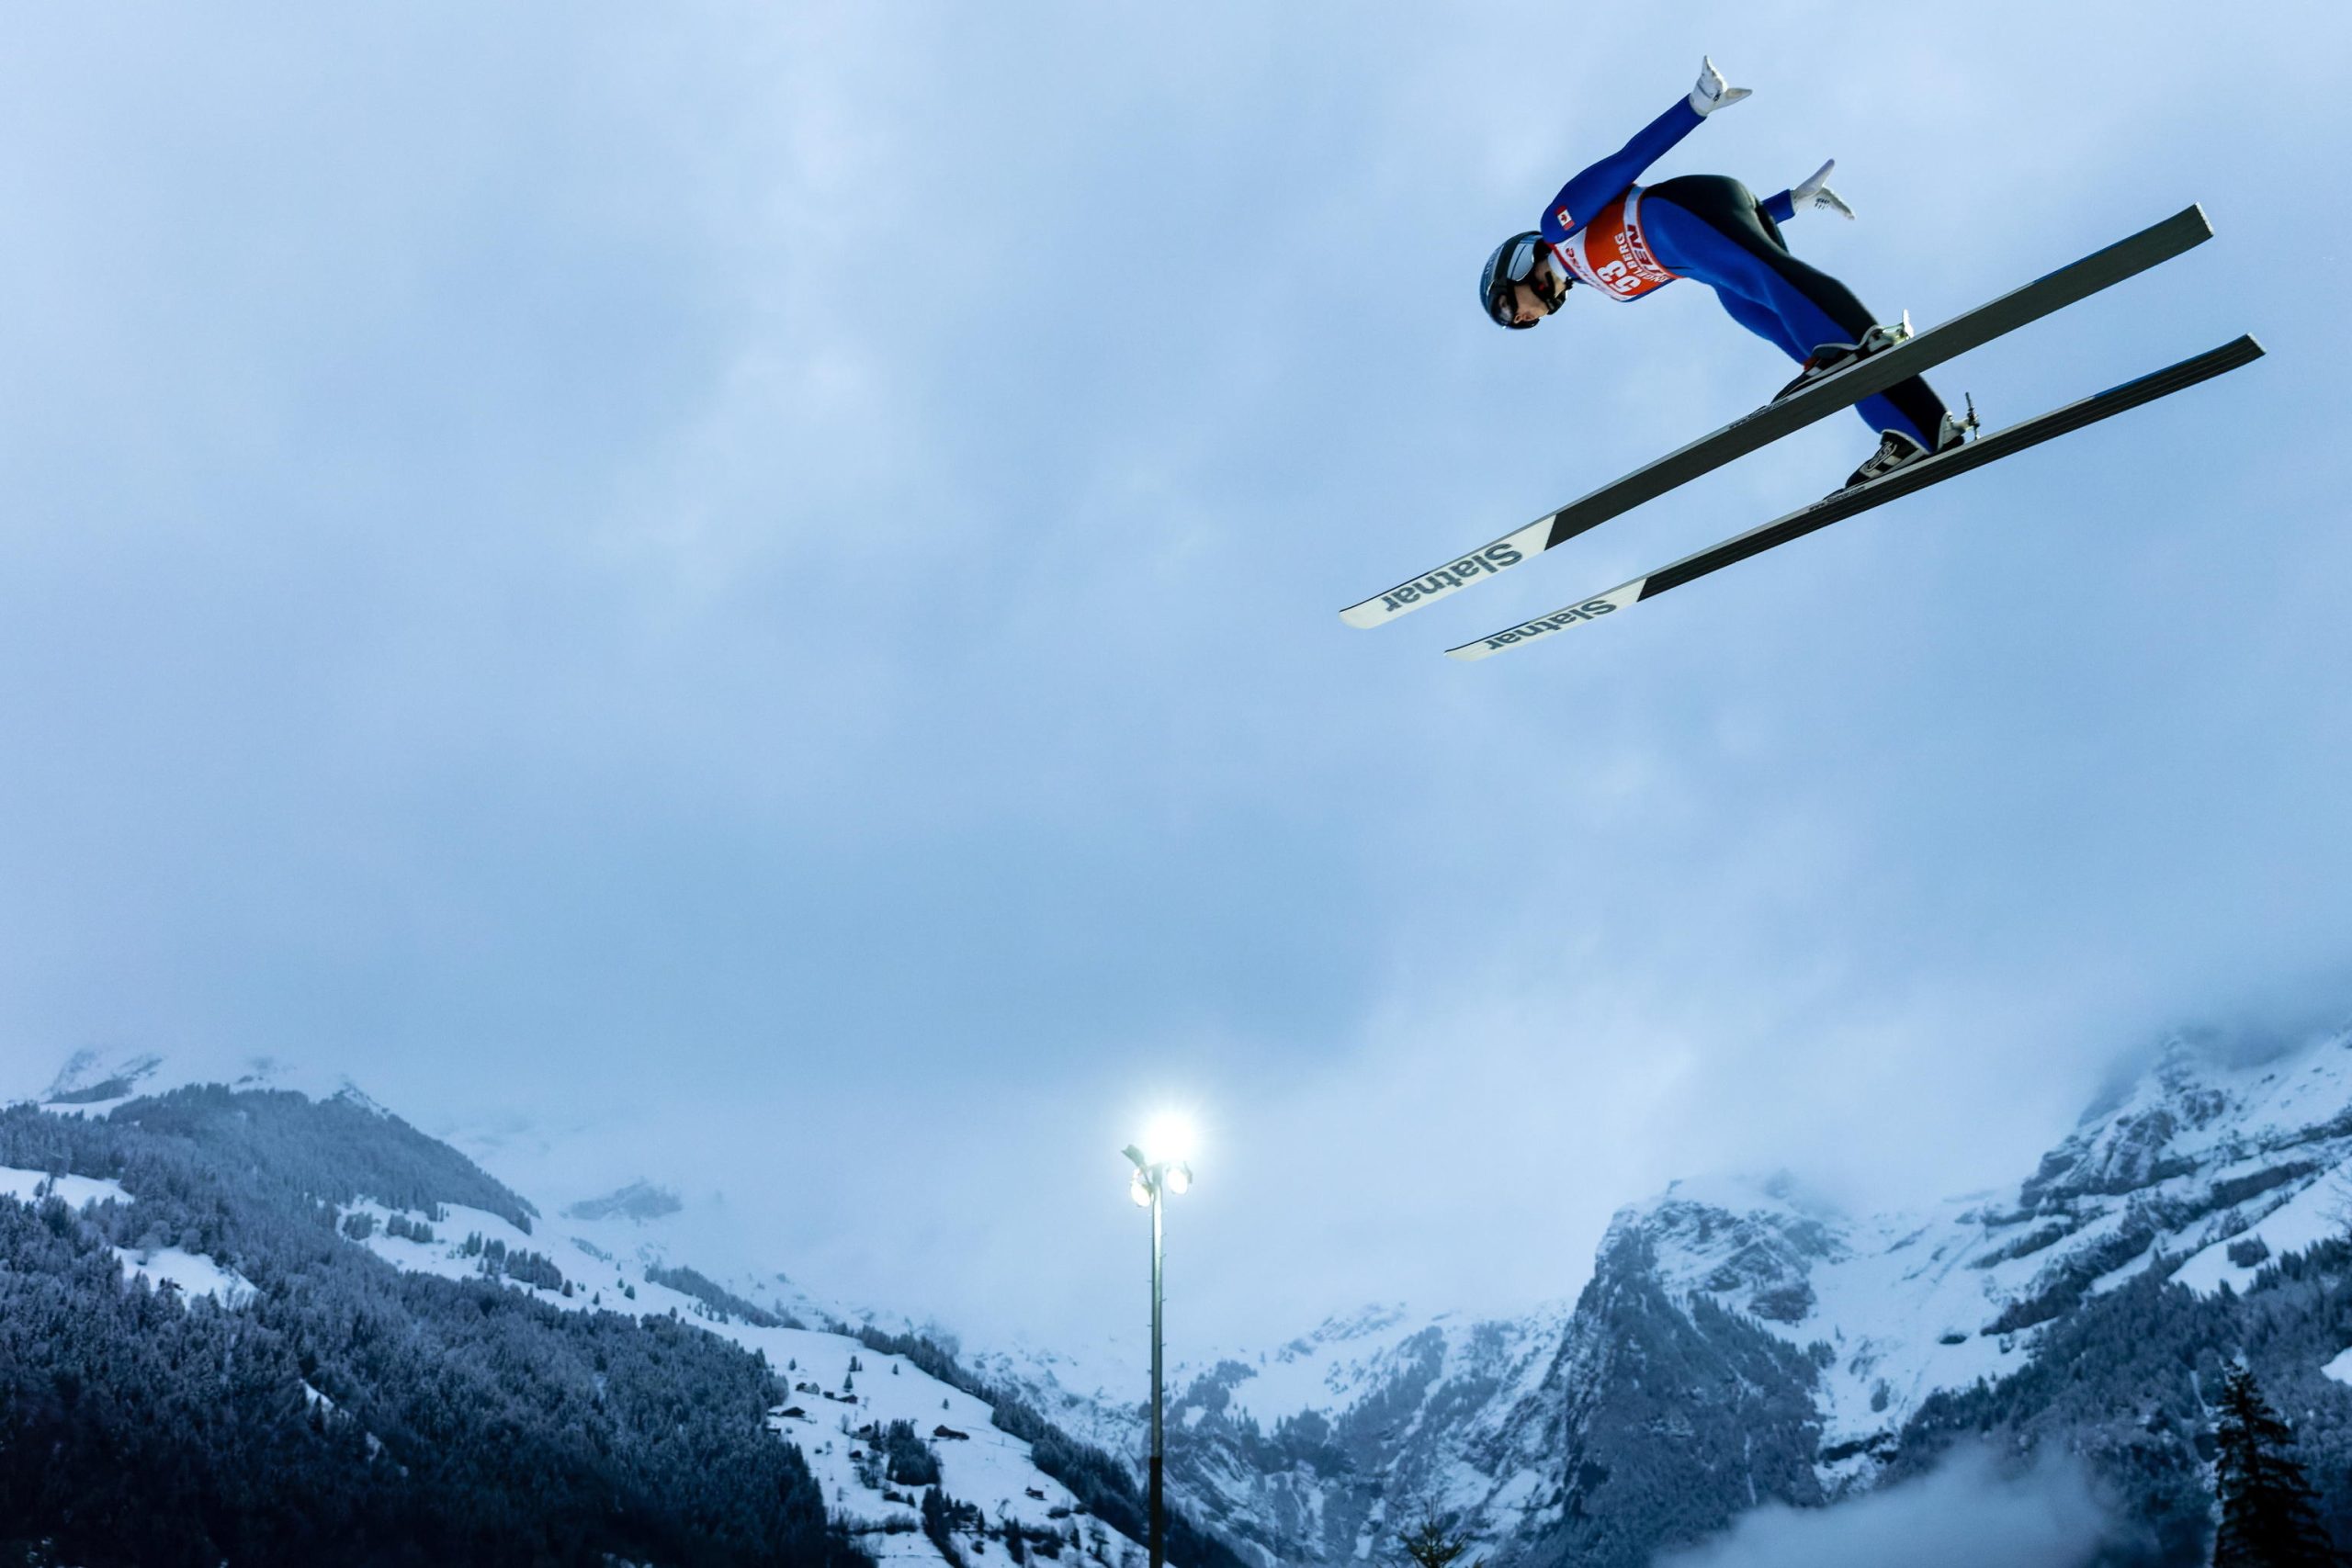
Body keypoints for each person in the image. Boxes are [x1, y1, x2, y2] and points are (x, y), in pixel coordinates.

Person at [1480, 58, 1971, 487]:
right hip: (1716, 247)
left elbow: (1625, 163)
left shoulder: (1558, 227)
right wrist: (1790, 205)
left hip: (1693, 205)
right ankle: (1921, 429)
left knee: (1778, 292)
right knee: (1775, 325)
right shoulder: (1612, 290)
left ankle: (1847, 342)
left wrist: (1694, 107)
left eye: (1507, 307)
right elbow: (1710, 255)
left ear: (1518, 266)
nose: (1519, 319)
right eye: (1514, 323)